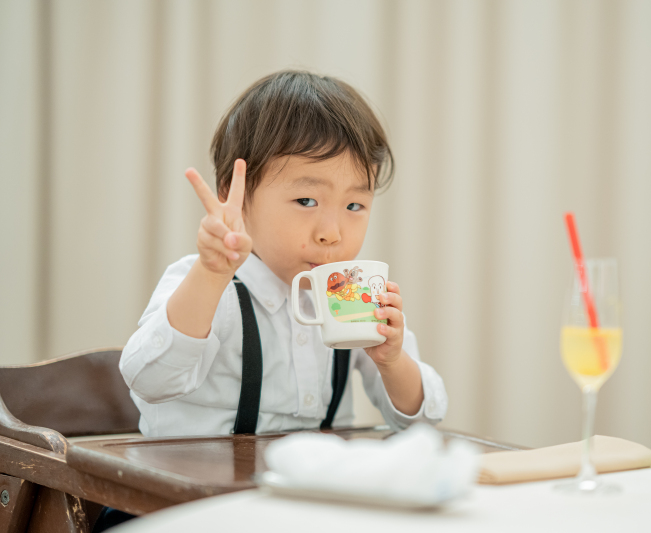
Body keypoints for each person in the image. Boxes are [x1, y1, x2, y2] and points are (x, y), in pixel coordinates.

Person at [118, 70, 448, 438]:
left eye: (354, 205)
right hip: (191, 491)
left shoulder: (350, 294)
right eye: (306, 200)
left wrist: (393, 361)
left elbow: (421, 420)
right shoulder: (209, 283)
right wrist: (210, 276)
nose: (331, 233)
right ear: (237, 195)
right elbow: (149, 381)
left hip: (308, 491)